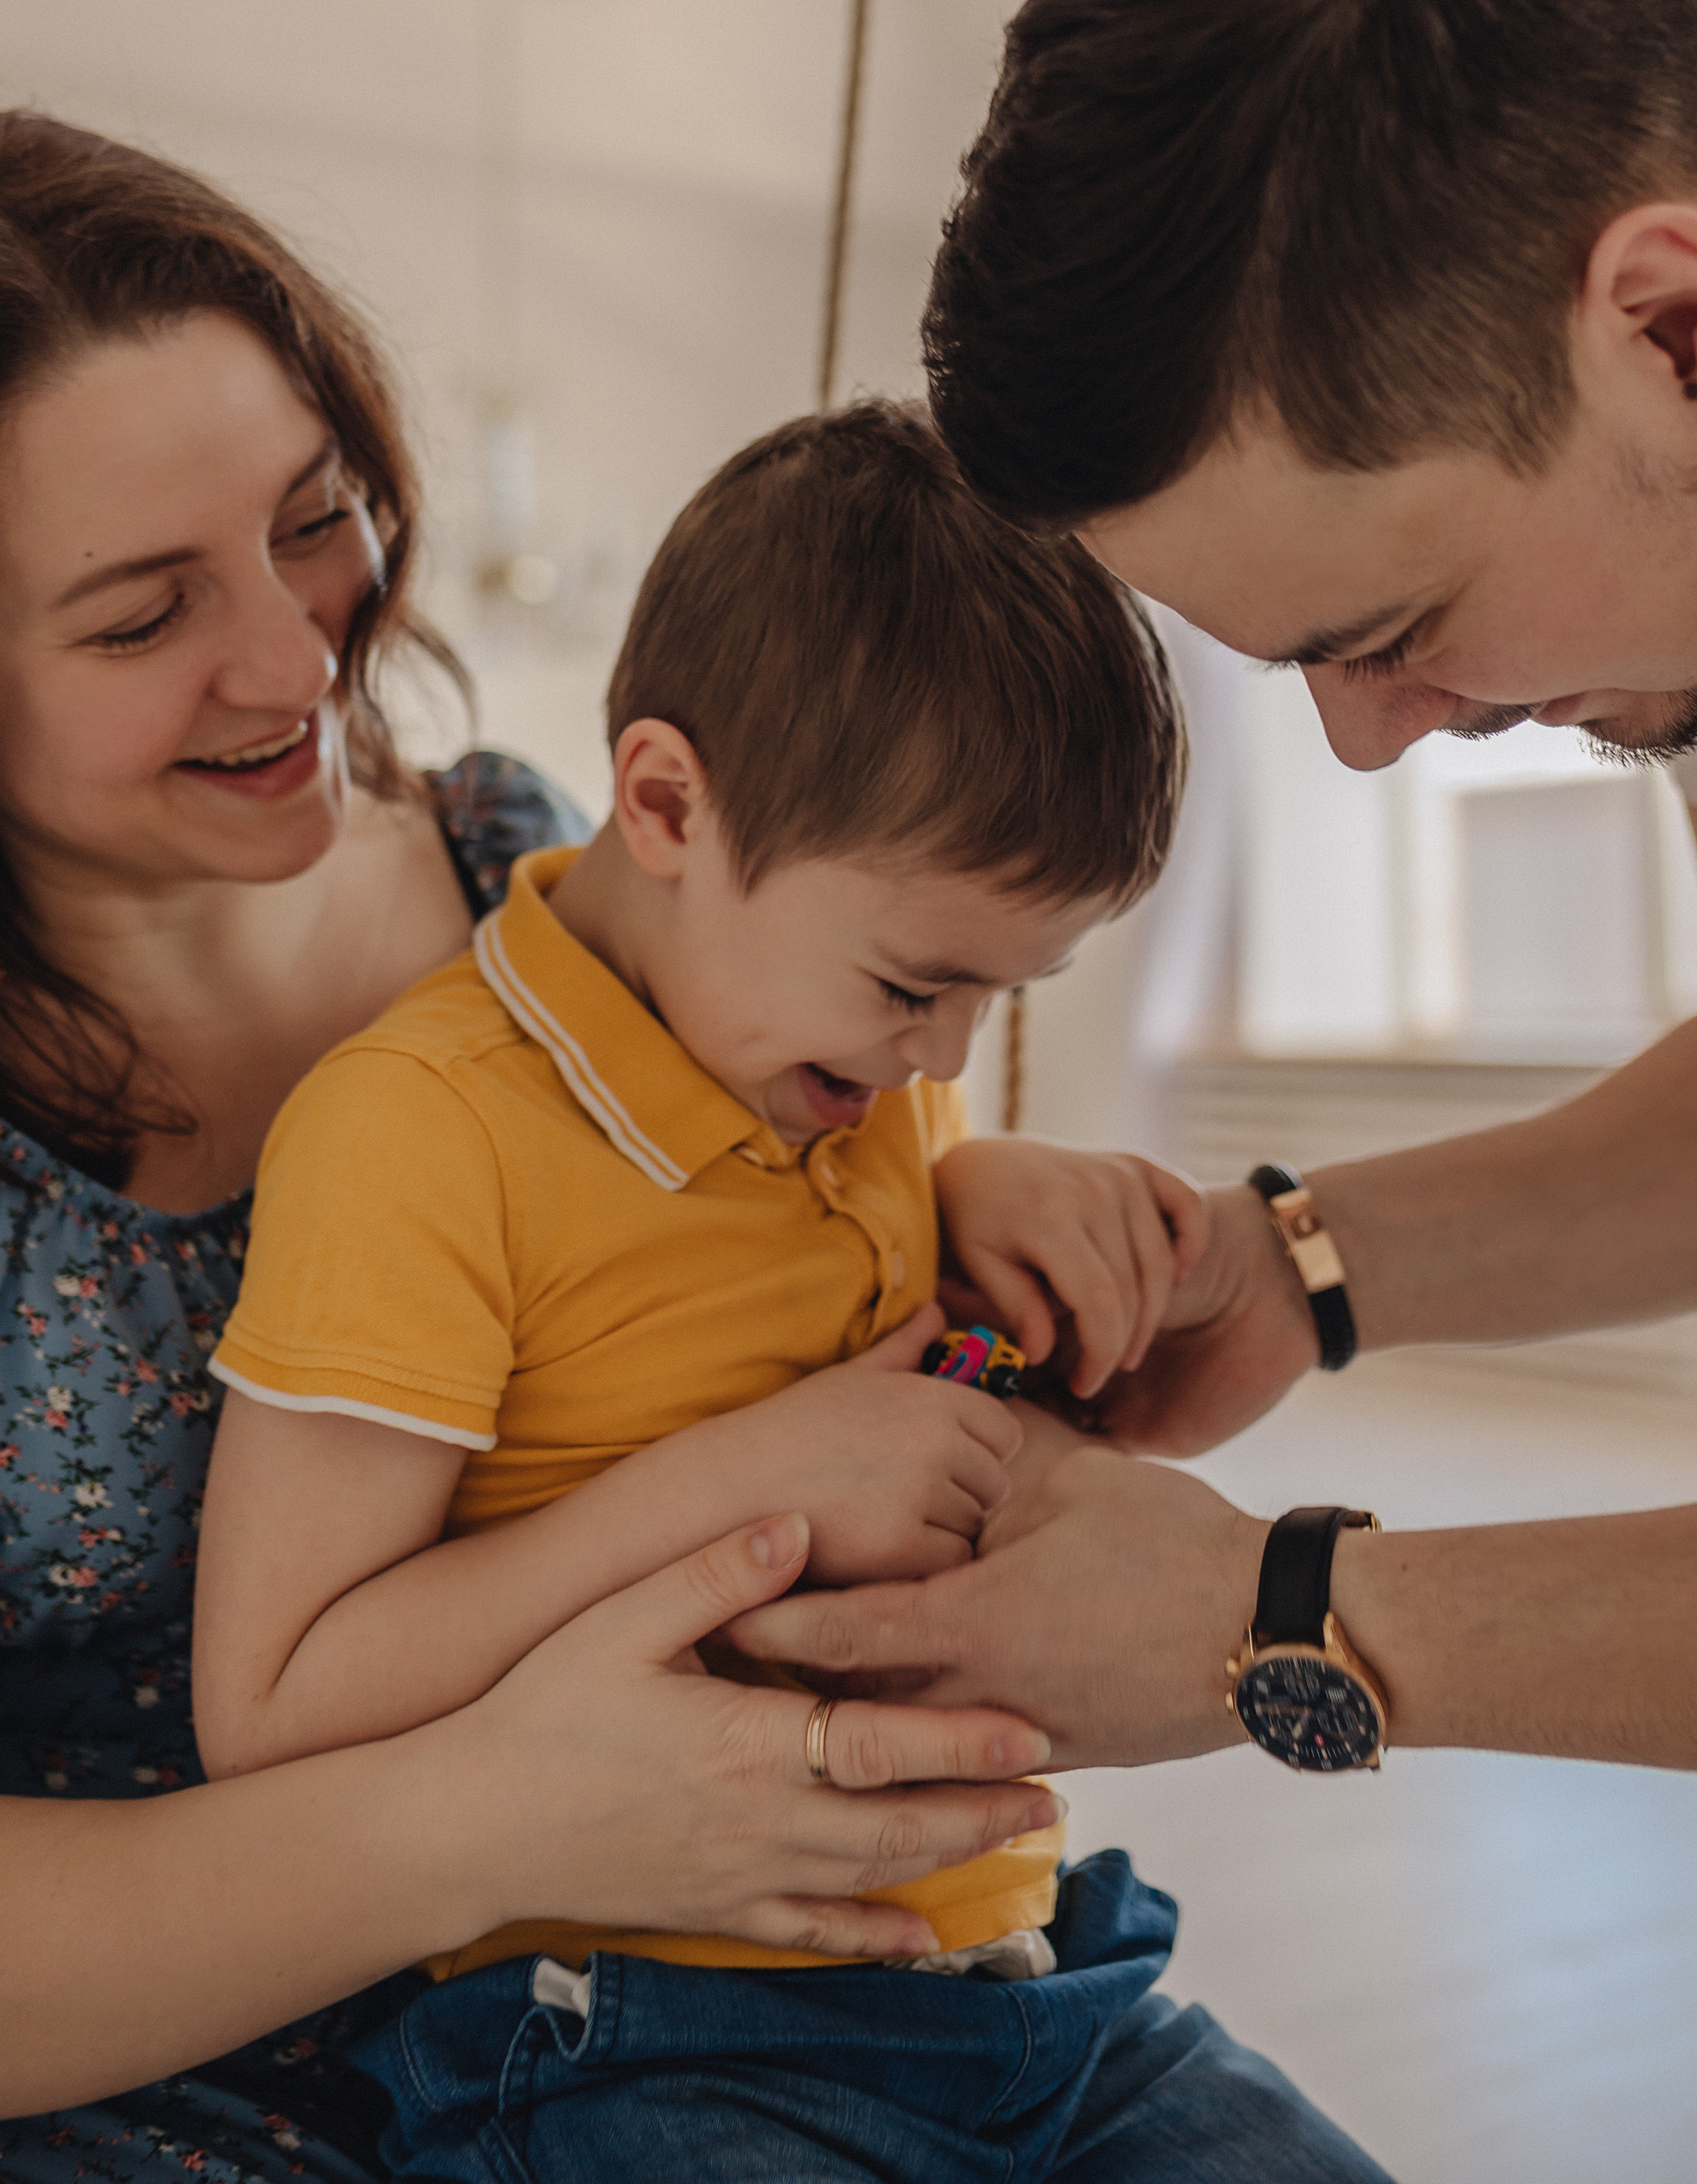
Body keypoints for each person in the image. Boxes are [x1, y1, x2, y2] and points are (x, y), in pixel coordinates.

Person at [0, 118, 1064, 2172]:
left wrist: (969, 1201)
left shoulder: (520, 865)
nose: (297, 659)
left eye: (316, 519)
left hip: (729, 1971)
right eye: (139, 618)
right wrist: (492, 1827)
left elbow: (743, 1273)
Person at [732, 0, 1697, 1788]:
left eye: (1395, 627)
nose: (1367, 738)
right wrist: (1292, 1268)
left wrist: (1279, 1619)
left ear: (1678, 328)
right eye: (1296, 667)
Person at [193, 399, 1395, 2184]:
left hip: (1028, 1978)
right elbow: (278, 1703)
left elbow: (845, 1348)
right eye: (914, 988)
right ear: (666, 802)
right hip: (629, 2029)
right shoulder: (417, 1131)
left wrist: (980, 1215)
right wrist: (748, 1481)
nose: (945, 1057)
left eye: (1002, 995)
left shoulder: (842, 1069)